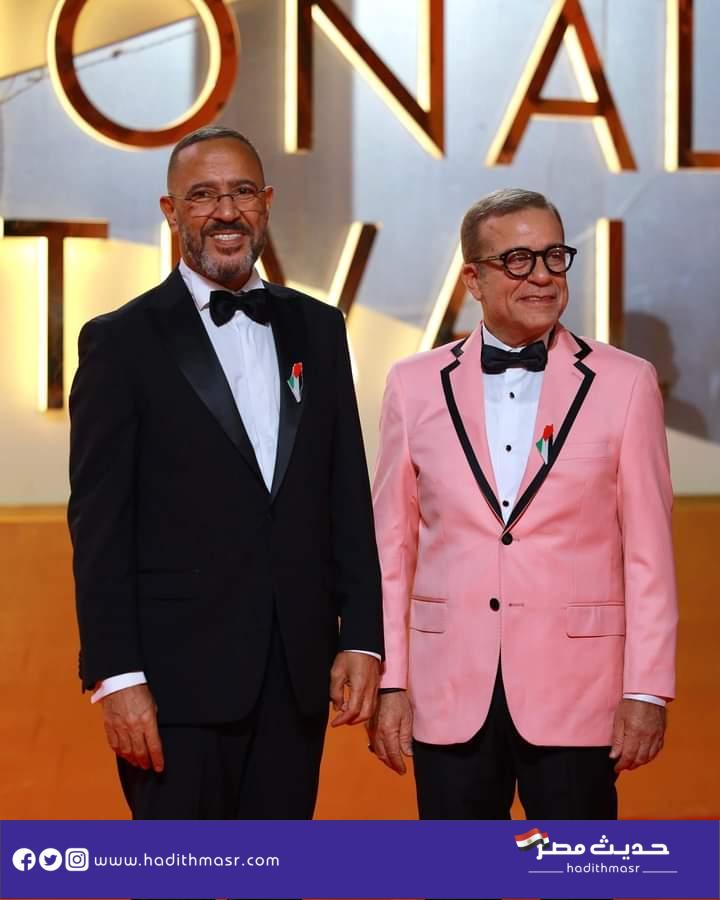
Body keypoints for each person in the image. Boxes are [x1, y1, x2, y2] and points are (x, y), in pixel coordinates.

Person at [68, 126, 383, 826]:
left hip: (296, 678)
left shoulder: (320, 329)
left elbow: (344, 495)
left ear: (266, 201)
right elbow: (99, 526)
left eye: (241, 191)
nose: (226, 211)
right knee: (181, 874)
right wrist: (117, 676)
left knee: (276, 873)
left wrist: (361, 635)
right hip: (171, 689)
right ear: (171, 210)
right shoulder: (121, 341)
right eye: (203, 195)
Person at [369, 189, 677, 832]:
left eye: (554, 256)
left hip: (580, 694)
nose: (541, 275)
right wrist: (391, 680)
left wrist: (646, 689)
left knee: (576, 874)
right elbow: (391, 550)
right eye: (517, 260)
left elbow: (650, 552)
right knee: (457, 876)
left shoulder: (627, 382)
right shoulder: (413, 383)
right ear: (472, 280)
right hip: (449, 690)